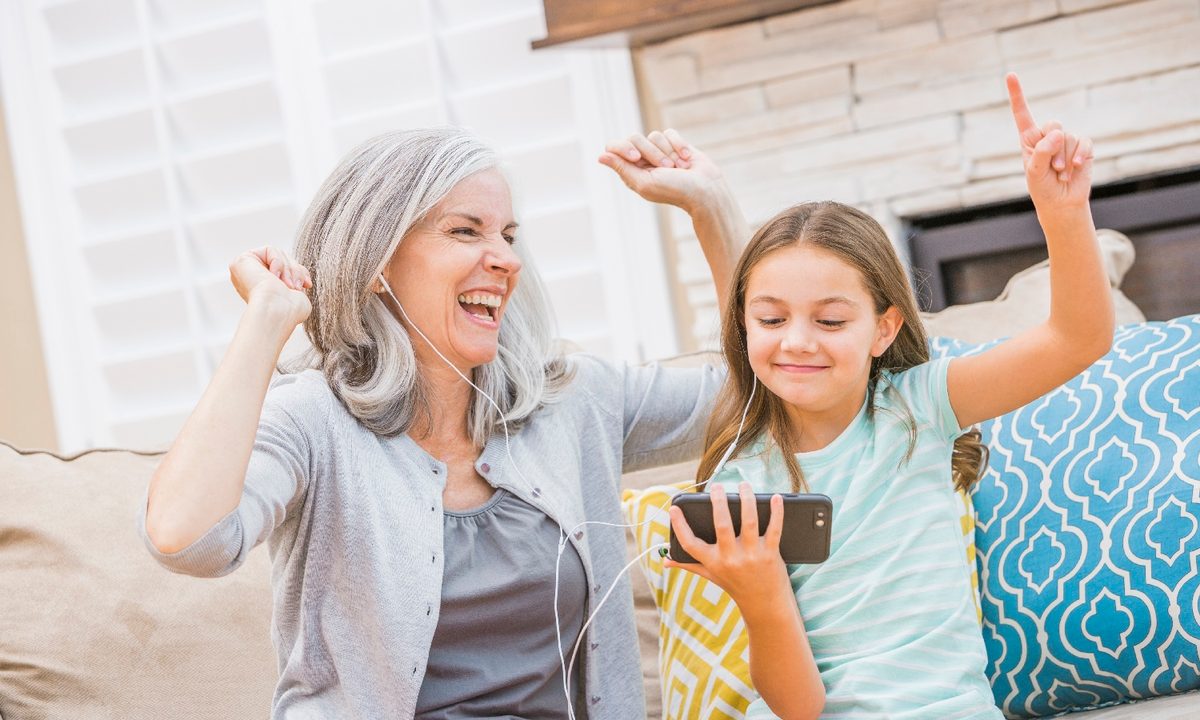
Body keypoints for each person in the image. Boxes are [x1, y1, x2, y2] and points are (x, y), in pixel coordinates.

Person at [140, 126, 744, 719]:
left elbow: (762, 394)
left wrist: (713, 212)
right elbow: (187, 539)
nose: (506, 259)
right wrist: (266, 322)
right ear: (374, 262)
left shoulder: (571, 399)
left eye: (508, 235)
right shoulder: (313, 420)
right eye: (465, 231)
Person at [664, 73, 1114, 719]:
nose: (796, 342)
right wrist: (759, 592)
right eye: (769, 320)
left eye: (829, 320)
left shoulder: (917, 407)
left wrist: (1064, 213)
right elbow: (797, 706)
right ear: (742, 325)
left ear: (884, 329)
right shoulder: (743, 480)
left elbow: (1078, 339)